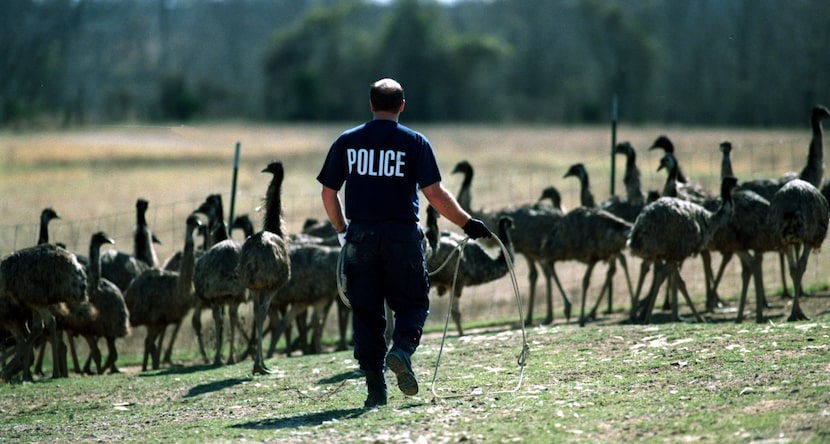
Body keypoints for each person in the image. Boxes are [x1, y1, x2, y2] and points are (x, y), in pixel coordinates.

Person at [317, 78, 492, 408]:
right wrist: (467, 223)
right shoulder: (415, 143)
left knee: (367, 314)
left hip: (360, 237)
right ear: (402, 106)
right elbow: (435, 195)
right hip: (402, 237)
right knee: (413, 304)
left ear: (370, 105)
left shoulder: (346, 142)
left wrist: (343, 231)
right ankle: (401, 350)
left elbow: (328, 194)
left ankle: (375, 390)